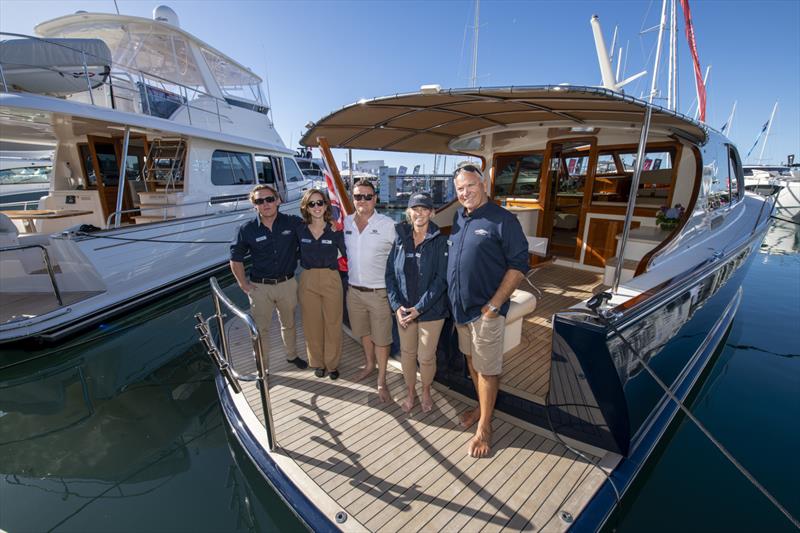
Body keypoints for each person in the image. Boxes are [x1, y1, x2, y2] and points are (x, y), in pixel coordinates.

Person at [447, 163, 528, 458]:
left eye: (470, 185)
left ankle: (485, 427)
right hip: (461, 311)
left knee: (488, 369)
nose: (465, 192)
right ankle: (481, 408)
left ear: (483, 185)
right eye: (459, 189)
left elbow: (519, 264)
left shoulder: (502, 220)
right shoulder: (459, 217)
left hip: (485, 313)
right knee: (472, 363)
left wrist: (494, 305)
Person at [230, 184, 308, 371]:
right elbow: (235, 259)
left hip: (287, 284)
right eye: (259, 201)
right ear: (254, 205)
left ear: (278, 201)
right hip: (259, 287)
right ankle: (262, 369)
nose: (265, 204)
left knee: (289, 325)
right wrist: (243, 284)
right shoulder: (246, 229)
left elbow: (314, 230)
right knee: (260, 331)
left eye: (269, 199)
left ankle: (291, 356)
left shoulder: (292, 223)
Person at [386, 192, 449, 414]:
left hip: (431, 311)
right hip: (404, 310)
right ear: (409, 212)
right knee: (408, 354)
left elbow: (441, 280)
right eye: (415, 208)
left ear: (432, 213)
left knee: (426, 356)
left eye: (424, 209)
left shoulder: (440, 242)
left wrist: (419, 308)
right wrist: (396, 306)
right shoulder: (400, 239)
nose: (419, 213)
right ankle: (411, 392)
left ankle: (426, 391)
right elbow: (390, 276)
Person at [343, 179, 396, 402]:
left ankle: (382, 380)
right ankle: (369, 364)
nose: (362, 200)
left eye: (367, 196)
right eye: (358, 196)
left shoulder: (387, 225)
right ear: (353, 199)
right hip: (353, 291)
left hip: (378, 293)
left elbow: (400, 257)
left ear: (375, 198)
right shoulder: (346, 222)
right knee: (363, 332)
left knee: (382, 339)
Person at [296, 189, 346, 380]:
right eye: (311, 204)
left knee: (333, 323)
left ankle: (332, 364)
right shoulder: (299, 229)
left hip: (331, 278)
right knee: (311, 323)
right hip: (308, 278)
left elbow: (347, 254)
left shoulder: (334, 230)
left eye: (320, 203)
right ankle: (317, 362)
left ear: (326, 206)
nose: (316, 207)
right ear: (306, 207)